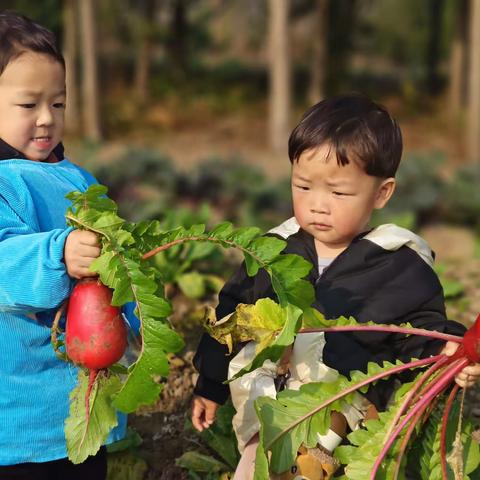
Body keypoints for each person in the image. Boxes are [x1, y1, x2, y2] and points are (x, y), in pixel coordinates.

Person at [191, 94, 480, 478]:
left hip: (346, 420)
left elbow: (419, 334)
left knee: (320, 460)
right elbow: (230, 318)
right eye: (304, 187)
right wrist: (209, 384)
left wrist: (450, 352)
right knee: (260, 467)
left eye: (338, 193)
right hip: (269, 410)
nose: (318, 205)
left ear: (382, 193)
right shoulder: (272, 251)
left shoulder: (400, 265)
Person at [0, 11, 126, 480]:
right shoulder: (5, 182)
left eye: (59, 103)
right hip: (18, 422)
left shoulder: (79, 179)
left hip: (82, 403)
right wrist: (58, 254)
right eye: (28, 104)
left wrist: (130, 319)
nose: (47, 119)